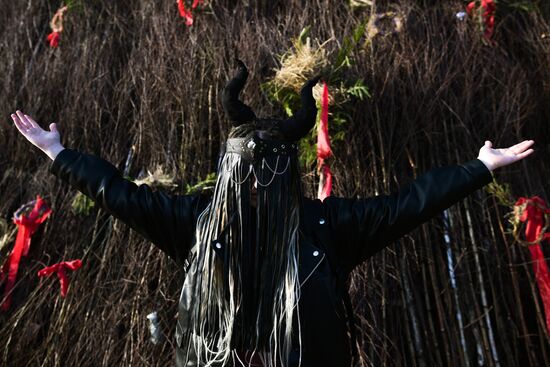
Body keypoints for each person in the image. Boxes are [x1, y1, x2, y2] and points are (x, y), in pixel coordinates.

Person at [11, 61, 535, 367]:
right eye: (244, 167)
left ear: (282, 174)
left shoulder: (328, 227)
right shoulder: (196, 221)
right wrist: (60, 154)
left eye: (266, 170)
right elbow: (119, 194)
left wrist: (480, 167)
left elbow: (408, 204)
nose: (253, 181)